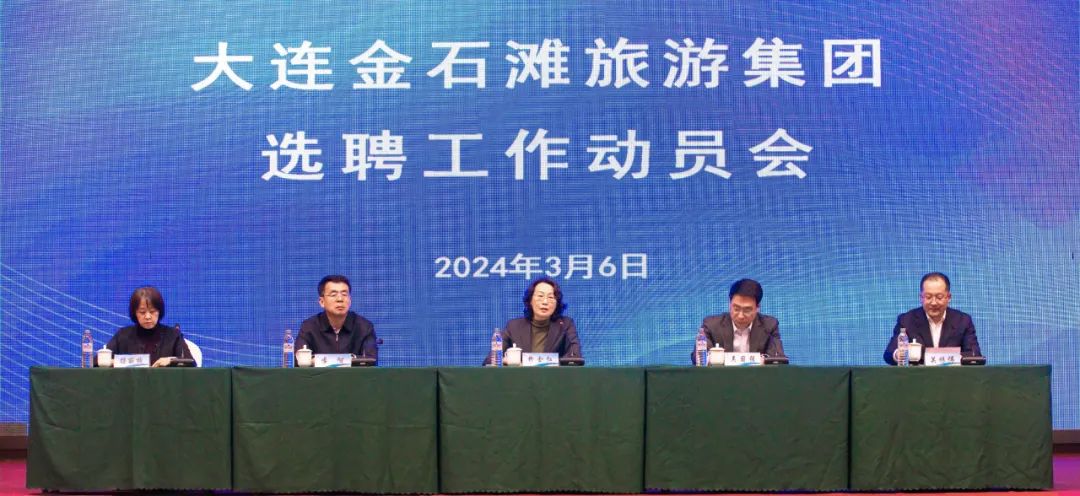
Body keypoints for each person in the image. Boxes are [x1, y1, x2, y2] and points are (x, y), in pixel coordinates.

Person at [884, 272, 982, 365]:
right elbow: (889, 354)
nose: (934, 302)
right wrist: (899, 355)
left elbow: (974, 355)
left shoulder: (963, 321)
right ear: (921, 298)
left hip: (952, 375)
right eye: (928, 297)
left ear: (948, 297)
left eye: (939, 297)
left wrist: (949, 359)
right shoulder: (906, 320)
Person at [485, 277, 581, 364]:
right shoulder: (513, 326)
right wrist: (508, 361)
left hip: (553, 377)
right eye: (540, 296)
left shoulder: (565, 324)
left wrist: (549, 364)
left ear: (557, 303)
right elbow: (490, 360)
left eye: (551, 297)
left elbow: (576, 357)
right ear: (530, 300)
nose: (545, 302)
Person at [692, 278, 784, 363]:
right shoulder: (711, 325)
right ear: (729, 303)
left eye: (747, 310)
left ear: (758, 307)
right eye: (736, 309)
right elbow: (698, 357)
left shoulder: (769, 326)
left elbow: (778, 359)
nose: (740, 316)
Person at [98, 286, 190, 367]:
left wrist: (171, 360)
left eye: (152, 311)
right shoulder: (123, 335)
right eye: (142, 312)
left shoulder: (173, 335)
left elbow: (190, 362)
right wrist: (112, 362)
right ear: (134, 313)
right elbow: (97, 362)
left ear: (159, 311)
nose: (148, 316)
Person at [295, 275, 378, 362]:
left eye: (344, 294)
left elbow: (371, 360)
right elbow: (299, 360)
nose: (340, 299)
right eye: (333, 295)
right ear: (322, 302)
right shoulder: (309, 327)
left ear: (350, 300)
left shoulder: (364, 327)